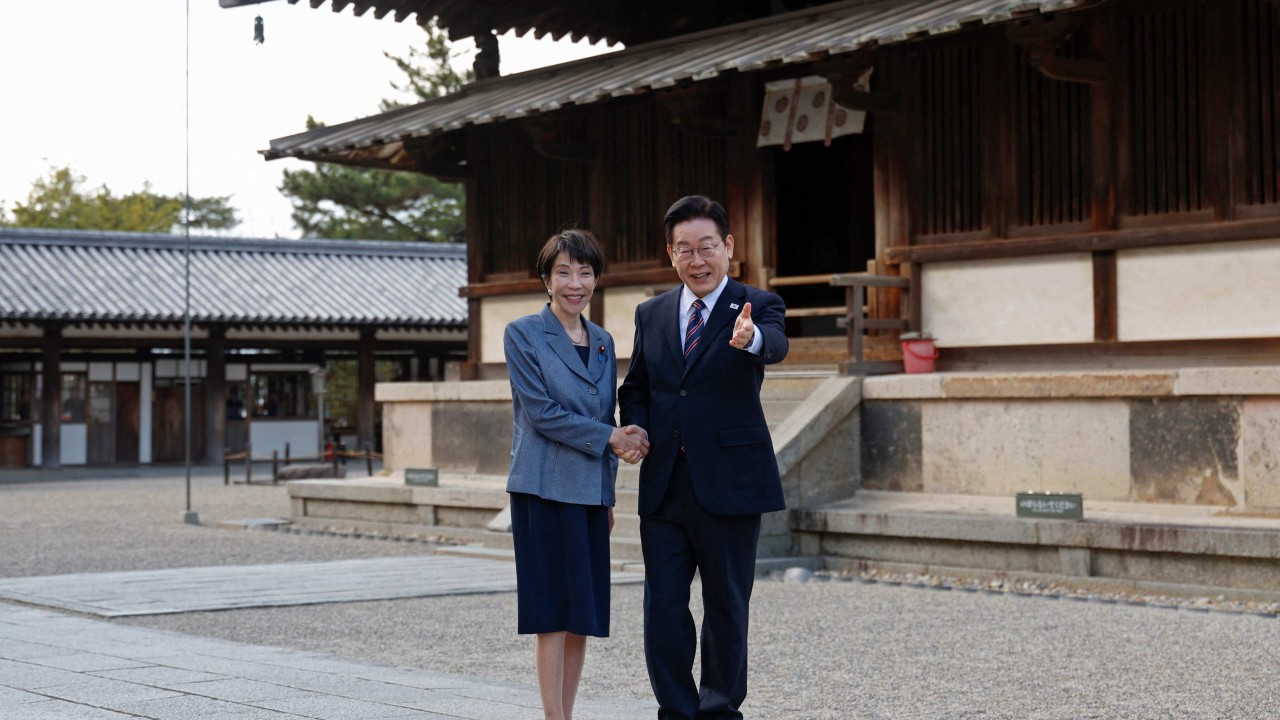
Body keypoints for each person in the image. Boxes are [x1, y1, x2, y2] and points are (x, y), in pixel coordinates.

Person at [619, 196, 788, 720]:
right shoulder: (651, 313)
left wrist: (751, 339)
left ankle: (718, 710)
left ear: (728, 246)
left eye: (707, 247)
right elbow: (637, 386)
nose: (698, 260)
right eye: (685, 249)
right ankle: (676, 709)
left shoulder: (757, 304)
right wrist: (636, 426)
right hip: (665, 483)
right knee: (664, 607)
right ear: (670, 253)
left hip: (731, 483)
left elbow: (776, 345)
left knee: (726, 606)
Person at [504, 228, 650, 720]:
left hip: (589, 492)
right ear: (547, 279)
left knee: (581, 614)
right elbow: (542, 414)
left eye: (585, 273)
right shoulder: (523, 333)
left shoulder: (604, 341)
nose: (575, 284)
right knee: (552, 612)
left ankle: (567, 713)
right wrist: (611, 438)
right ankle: (554, 716)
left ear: (596, 280)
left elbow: (605, 416)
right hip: (543, 488)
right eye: (563, 272)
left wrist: (608, 495)